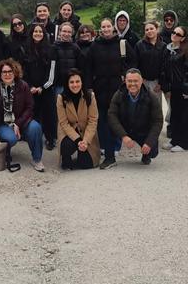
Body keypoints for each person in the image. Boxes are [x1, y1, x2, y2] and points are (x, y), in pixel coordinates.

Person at [86, 17, 136, 167]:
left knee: (115, 119)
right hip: (100, 88)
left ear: (113, 28)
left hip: (117, 88)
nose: (106, 29)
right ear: (100, 29)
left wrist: (126, 75)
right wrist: (89, 88)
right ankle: (106, 149)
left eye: (108, 26)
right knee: (102, 119)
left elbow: (133, 61)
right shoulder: (95, 46)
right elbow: (88, 68)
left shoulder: (122, 43)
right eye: (103, 27)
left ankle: (114, 147)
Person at [0, 59, 44, 172]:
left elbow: (30, 107)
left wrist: (17, 123)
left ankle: (37, 159)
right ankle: (5, 154)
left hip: (21, 121)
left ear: (15, 72)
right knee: (11, 138)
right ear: (0, 74)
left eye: (10, 71)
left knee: (35, 127)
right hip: (3, 124)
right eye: (4, 72)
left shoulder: (23, 86)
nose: (7, 74)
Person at [107, 68, 163, 167]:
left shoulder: (151, 96)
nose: (132, 84)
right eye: (129, 81)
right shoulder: (119, 94)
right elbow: (112, 115)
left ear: (141, 81)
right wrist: (123, 135)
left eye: (135, 81)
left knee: (152, 151)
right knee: (109, 126)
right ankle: (109, 158)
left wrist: (149, 142)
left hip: (142, 129)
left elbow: (158, 121)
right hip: (125, 127)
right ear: (125, 81)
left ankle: (146, 154)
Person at [56, 69, 100, 170]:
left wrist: (85, 141)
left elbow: (93, 121)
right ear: (67, 84)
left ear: (82, 82)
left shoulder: (90, 96)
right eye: (71, 82)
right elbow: (63, 123)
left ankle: (83, 154)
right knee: (67, 146)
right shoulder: (61, 98)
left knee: (86, 164)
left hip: (86, 131)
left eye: (77, 81)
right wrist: (78, 140)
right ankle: (66, 159)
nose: (75, 85)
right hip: (69, 131)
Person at [162, 26, 188, 152]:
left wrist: (187, 89)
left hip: (183, 88)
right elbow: (165, 69)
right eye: (173, 32)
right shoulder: (168, 50)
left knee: (184, 116)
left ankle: (185, 143)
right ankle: (175, 140)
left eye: (178, 34)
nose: (174, 35)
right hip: (174, 87)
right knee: (175, 115)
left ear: (182, 38)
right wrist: (166, 86)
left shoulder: (187, 51)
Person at [24, 23, 57, 150]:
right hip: (31, 90)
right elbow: (24, 72)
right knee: (33, 115)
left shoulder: (51, 49)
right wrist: (30, 86)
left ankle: (50, 139)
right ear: (31, 34)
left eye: (40, 31)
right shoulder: (26, 49)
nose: (38, 34)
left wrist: (43, 87)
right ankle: (34, 138)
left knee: (49, 115)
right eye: (35, 31)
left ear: (44, 34)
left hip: (46, 89)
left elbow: (52, 72)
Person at [133, 21, 167, 105]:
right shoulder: (139, 45)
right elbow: (135, 63)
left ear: (157, 29)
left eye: (151, 28)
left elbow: (165, 65)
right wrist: (139, 79)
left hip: (156, 82)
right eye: (147, 30)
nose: (149, 31)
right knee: (143, 105)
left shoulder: (163, 46)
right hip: (143, 81)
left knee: (156, 106)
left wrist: (161, 83)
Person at [51, 23, 84, 95]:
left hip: (73, 84)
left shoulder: (76, 48)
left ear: (72, 34)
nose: (66, 34)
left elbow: (80, 66)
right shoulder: (54, 47)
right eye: (64, 31)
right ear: (60, 32)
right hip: (59, 84)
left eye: (69, 32)